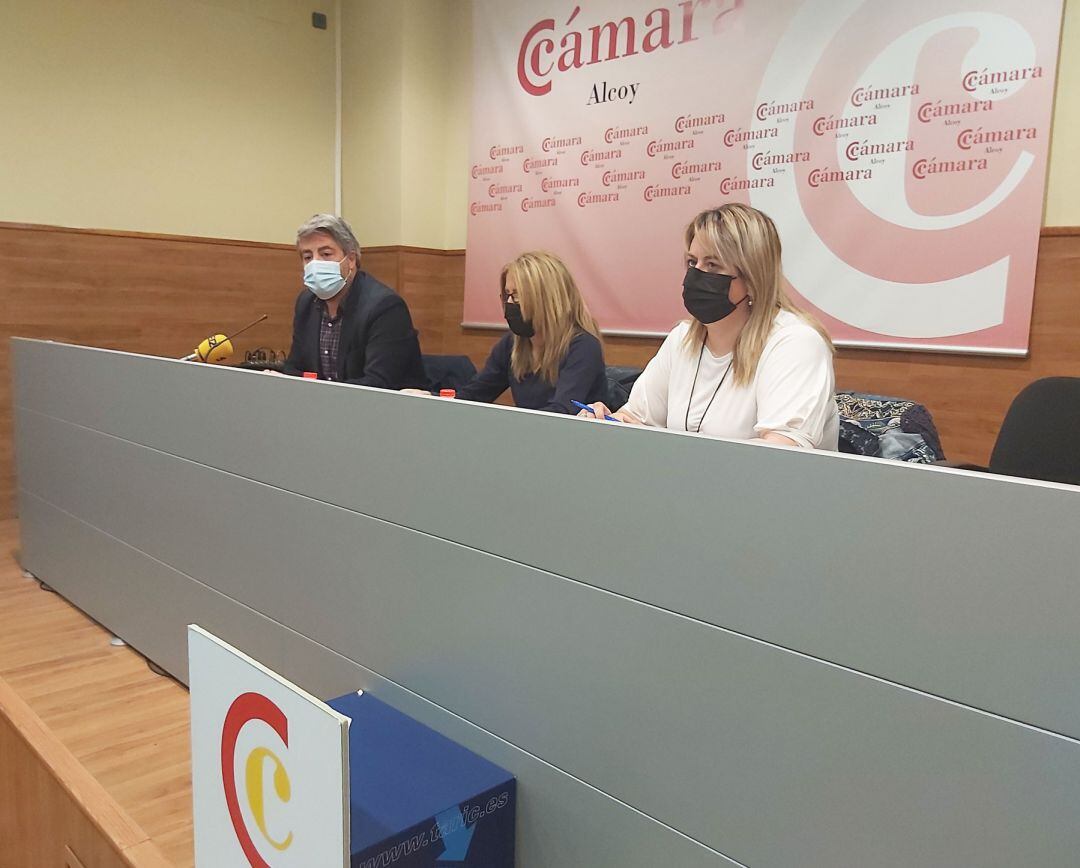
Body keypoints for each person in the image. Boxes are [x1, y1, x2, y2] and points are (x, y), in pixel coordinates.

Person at [579, 204, 838, 449]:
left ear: (752, 278)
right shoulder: (682, 339)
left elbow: (782, 452)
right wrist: (607, 422)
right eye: (693, 262)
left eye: (712, 264)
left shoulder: (795, 343)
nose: (696, 274)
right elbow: (638, 417)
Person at [407, 252, 606, 414]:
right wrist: (430, 400)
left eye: (518, 296)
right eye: (507, 295)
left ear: (547, 299)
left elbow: (561, 413)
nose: (509, 304)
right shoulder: (512, 345)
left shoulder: (583, 347)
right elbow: (474, 395)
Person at [281, 214, 427, 389]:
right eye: (307, 257)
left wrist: (320, 393)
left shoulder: (385, 307)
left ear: (350, 259)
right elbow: (294, 367)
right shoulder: (306, 303)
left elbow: (378, 384)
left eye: (326, 254)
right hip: (323, 408)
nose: (315, 263)